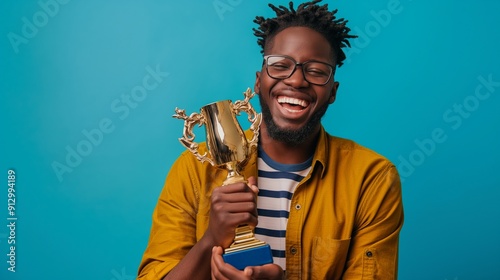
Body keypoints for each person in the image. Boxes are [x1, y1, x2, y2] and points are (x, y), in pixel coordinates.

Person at [138, 0, 404, 279]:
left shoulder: (371, 178)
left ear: (333, 91)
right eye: (280, 65)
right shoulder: (194, 170)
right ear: (258, 81)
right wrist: (211, 239)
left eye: (316, 71)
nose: (297, 81)